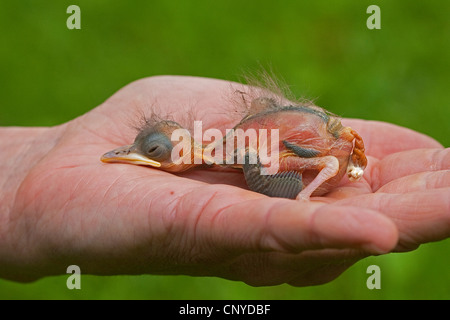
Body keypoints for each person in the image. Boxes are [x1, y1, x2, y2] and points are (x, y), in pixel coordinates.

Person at [0, 76, 448, 286]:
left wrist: (308, 182)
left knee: (262, 169)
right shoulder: (225, 147)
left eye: (154, 152)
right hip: (316, 149)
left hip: (323, 155)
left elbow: (284, 155)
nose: (134, 157)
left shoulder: (237, 151)